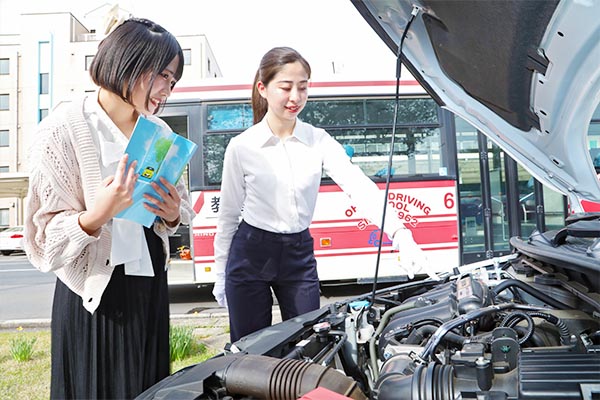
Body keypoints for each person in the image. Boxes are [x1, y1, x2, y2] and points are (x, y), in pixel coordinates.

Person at [23, 18, 195, 399]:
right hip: (93, 289)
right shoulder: (61, 131)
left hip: (148, 281)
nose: (167, 89)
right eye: (163, 75)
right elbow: (42, 243)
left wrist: (170, 213)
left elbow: (176, 214)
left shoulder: (160, 133)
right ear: (128, 64)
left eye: (173, 80)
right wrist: (97, 214)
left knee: (148, 388)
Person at [212, 46, 426, 343]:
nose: (295, 97)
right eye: (285, 87)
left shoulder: (318, 140)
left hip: (298, 252)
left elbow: (359, 186)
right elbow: (228, 215)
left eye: (303, 87)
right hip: (251, 252)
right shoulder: (241, 146)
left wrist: (400, 233)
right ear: (263, 88)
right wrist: (220, 273)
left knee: (308, 342)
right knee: (251, 352)